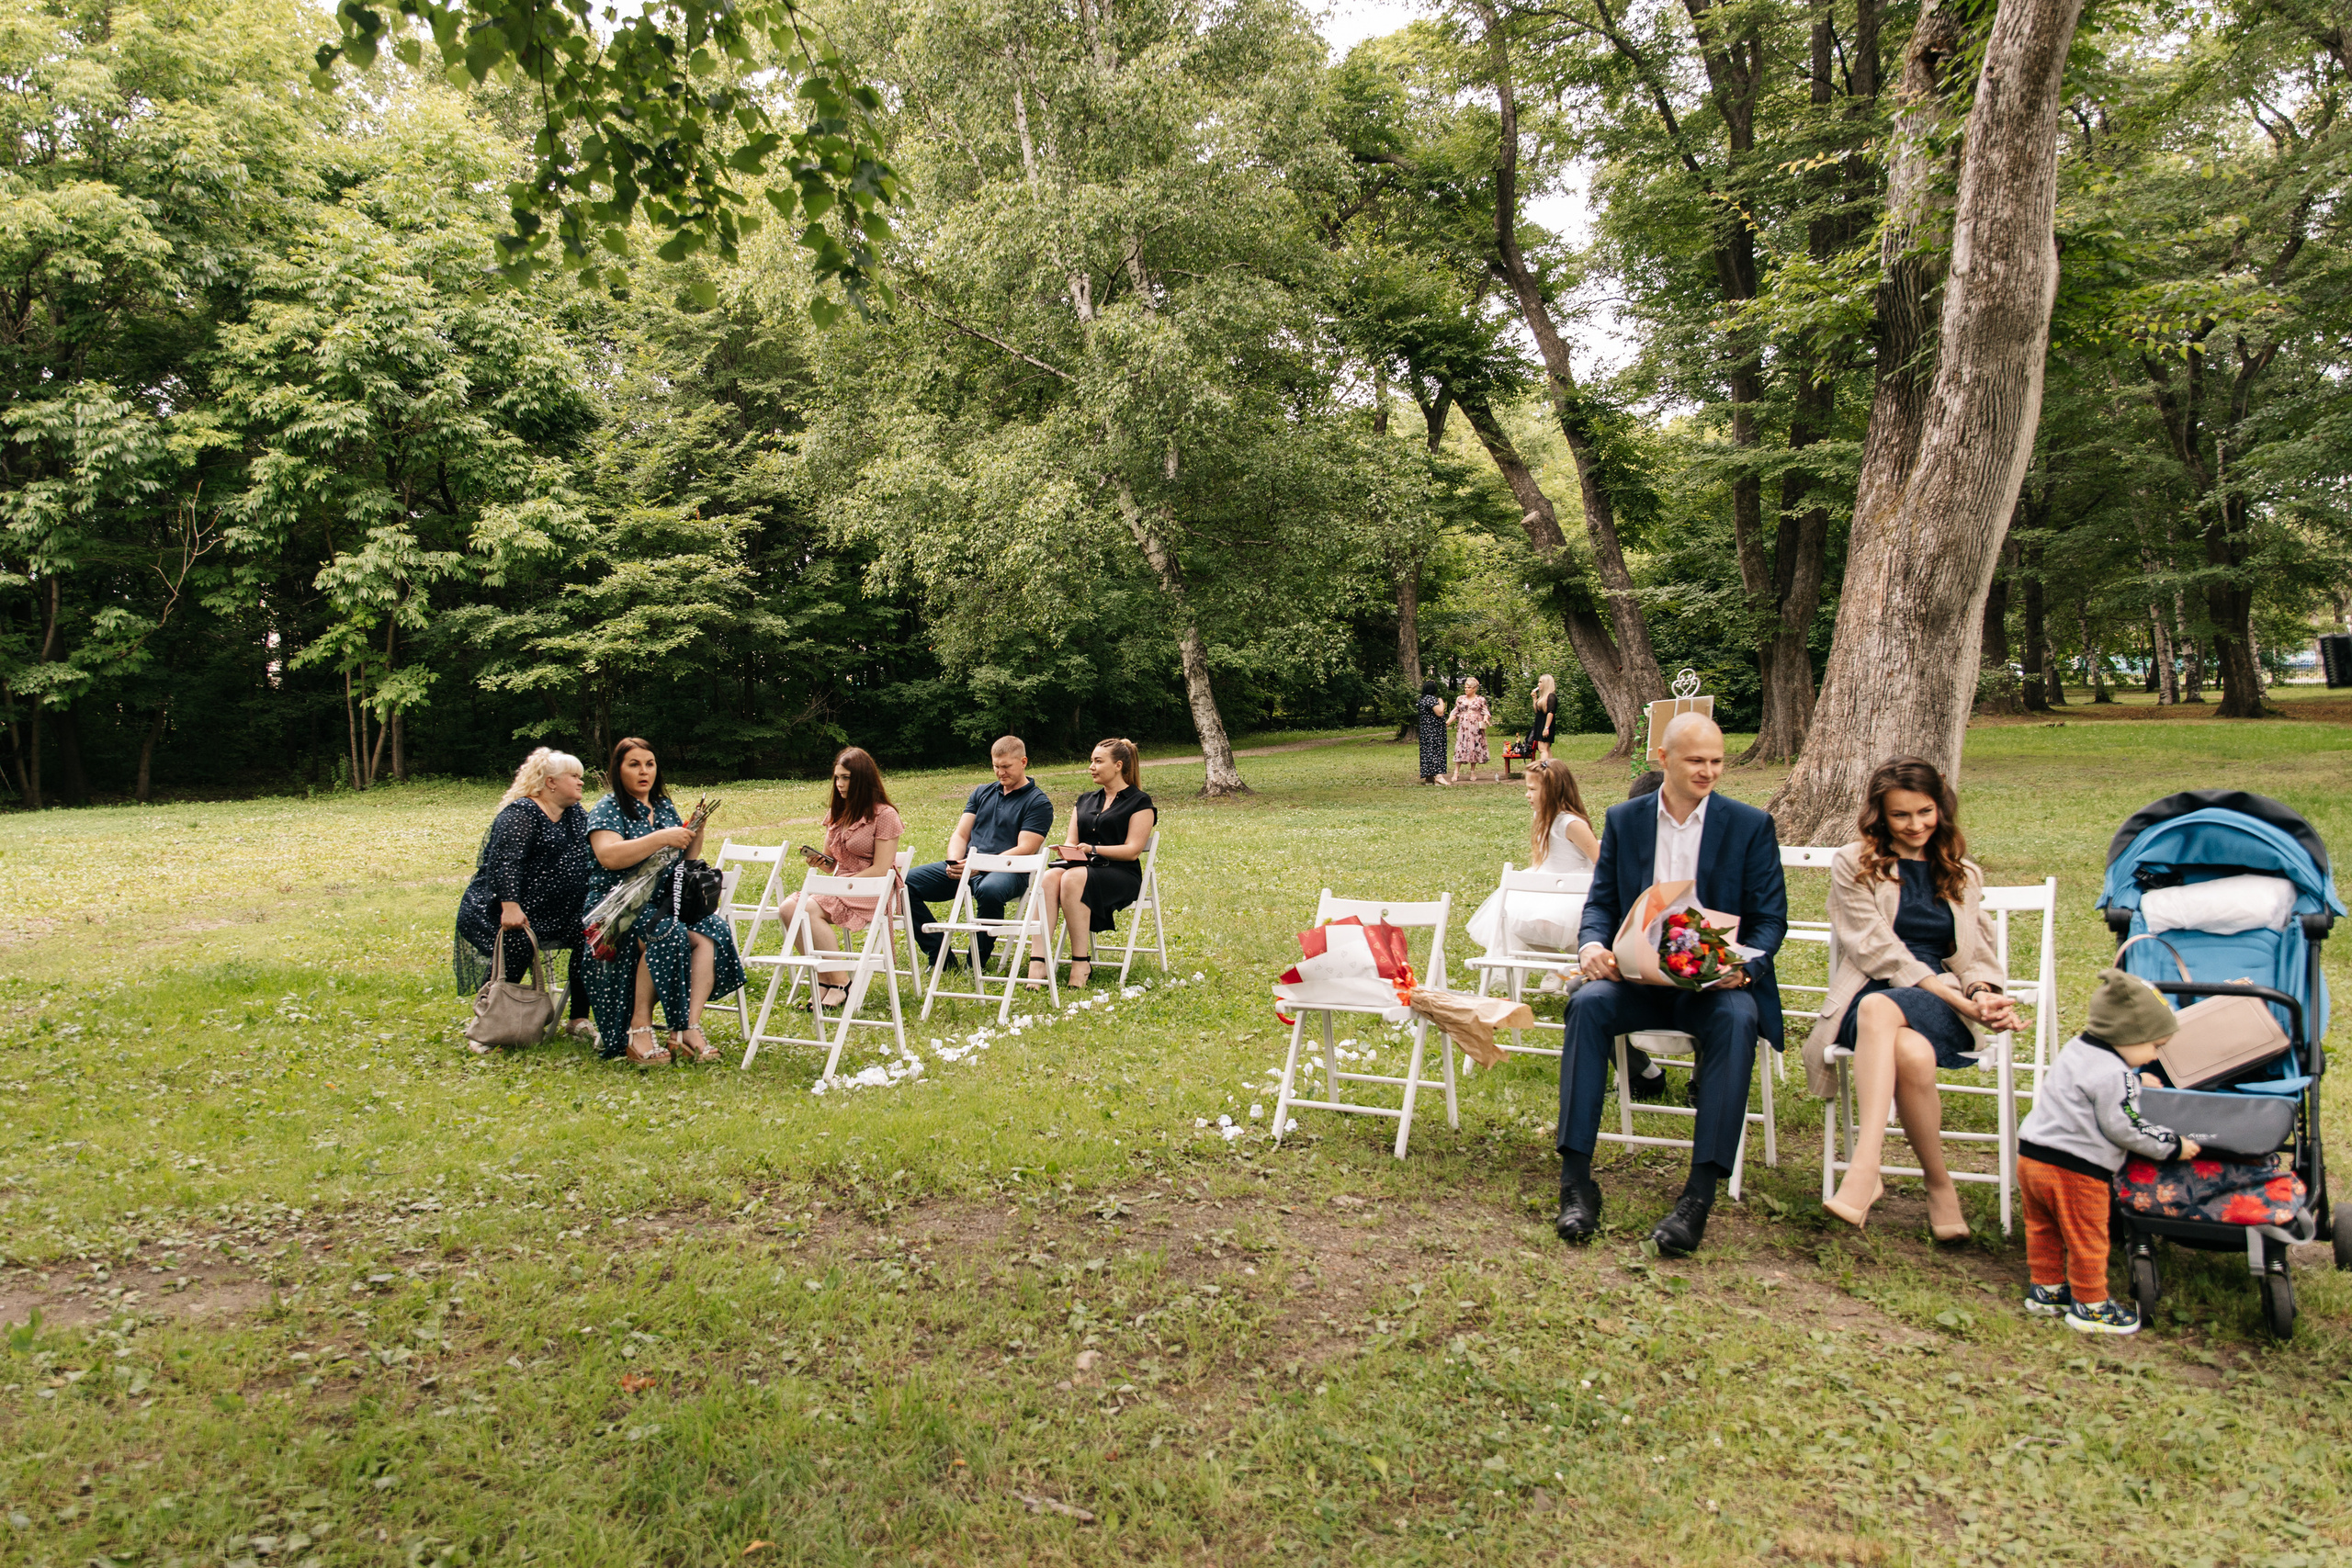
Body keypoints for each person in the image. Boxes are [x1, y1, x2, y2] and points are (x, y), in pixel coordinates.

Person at [1555, 713, 1787, 1257]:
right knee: (1586, 1005)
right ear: (1663, 759)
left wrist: (1745, 967)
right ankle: (1576, 1183)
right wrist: (1592, 947)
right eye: (1696, 761)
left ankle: (1697, 1197)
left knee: (1737, 1019)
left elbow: (1771, 920)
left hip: (1713, 987)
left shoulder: (1750, 825)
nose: (1709, 771)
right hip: (1637, 980)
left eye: (1717, 761)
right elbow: (1603, 904)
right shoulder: (1626, 819)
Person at [1809, 758, 2022, 1237]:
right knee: (1903, 1042)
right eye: (1900, 815)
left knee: (1884, 1013)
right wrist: (1943, 992)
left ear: (1940, 808)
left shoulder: (1962, 872)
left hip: (1940, 1000)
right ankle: (1939, 1184)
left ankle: (1865, 1169)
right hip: (1872, 987)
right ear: (1880, 816)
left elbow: (1977, 953)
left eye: (1924, 812)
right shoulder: (1854, 863)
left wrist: (1981, 995)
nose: (1915, 825)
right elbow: (1873, 946)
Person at [2015, 968, 2197, 1335]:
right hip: (2076, 1170)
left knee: (2043, 1227)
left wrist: (2134, 1079)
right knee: (2087, 1237)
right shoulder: (2115, 1075)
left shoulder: (2078, 1049)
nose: (2153, 1054)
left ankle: (2047, 1289)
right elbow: (2125, 1126)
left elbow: (2094, 1083)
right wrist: (2171, 1145)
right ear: (2127, 1035)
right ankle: (2090, 1305)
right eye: (2154, 1046)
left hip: (2033, 1156)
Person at [580, 737, 745, 1066]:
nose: (644, 771)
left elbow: (684, 860)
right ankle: (638, 1028)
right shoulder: (608, 808)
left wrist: (694, 833)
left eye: (650, 764)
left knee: (713, 929)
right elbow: (608, 856)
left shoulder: (665, 807)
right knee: (666, 932)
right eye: (634, 764)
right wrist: (661, 837)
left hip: (663, 903)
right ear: (618, 769)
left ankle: (686, 1029)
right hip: (618, 910)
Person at [455, 748, 596, 1050]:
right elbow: (505, 863)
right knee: (516, 944)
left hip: (557, 911)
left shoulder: (573, 815)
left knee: (592, 938)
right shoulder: (521, 814)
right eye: (574, 776)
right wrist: (511, 906)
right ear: (551, 782)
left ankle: (578, 1019)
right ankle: (489, 1023)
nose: (581, 782)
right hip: (501, 908)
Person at [904, 735, 1054, 971]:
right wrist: (954, 861)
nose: (1000, 773)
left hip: (1009, 871)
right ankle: (940, 953)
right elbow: (961, 834)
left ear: (1023, 761)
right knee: (904, 883)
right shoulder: (982, 792)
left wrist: (979, 865)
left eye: (1006, 767)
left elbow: (1026, 849)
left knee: (990, 889)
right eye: (995, 766)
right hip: (969, 866)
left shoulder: (1037, 802)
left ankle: (976, 962)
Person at [776, 747, 903, 1011]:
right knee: (788, 909)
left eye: (846, 778)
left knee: (807, 909)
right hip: (840, 884)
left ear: (863, 779)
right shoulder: (838, 813)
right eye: (837, 778)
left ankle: (841, 981)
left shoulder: (885, 815)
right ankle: (825, 980)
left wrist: (838, 883)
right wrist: (820, 862)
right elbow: (834, 863)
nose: (840, 784)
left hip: (872, 889)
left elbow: (881, 869)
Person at [1030, 739, 1157, 990]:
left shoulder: (1139, 802)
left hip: (1120, 874)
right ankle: (1038, 960)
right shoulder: (1085, 800)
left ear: (1118, 765)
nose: (1091, 766)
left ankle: (1081, 961)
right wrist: (1067, 850)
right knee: (1048, 878)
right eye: (1091, 761)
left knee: (1072, 878)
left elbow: (1132, 851)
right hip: (1081, 869)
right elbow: (1071, 841)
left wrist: (1093, 849)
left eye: (1098, 761)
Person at [1465, 758, 1599, 971]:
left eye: (1532, 789)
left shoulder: (1571, 824)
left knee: (1563, 929)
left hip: (1571, 889)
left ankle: (1583, 965)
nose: (1527, 794)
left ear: (1553, 790)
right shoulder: (1541, 816)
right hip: (1543, 884)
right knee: (1515, 919)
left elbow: (1600, 859)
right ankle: (1559, 966)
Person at [1444, 676, 1493, 785]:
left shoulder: (1480, 699)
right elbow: (1454, 712)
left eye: (1469, 688)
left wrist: (1485, 719)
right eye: (1465, 687)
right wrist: (1447, 722)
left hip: (1475, 727)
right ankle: (1456, 772)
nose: (1466, 689)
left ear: (1474, 688)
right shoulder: (1460, 699)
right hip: (1463, 727)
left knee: (1474, 747)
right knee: (1460, 747)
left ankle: (1472, 772)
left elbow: (1486, 712)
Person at [1414, 680, 1449, 784]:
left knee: (1427, 753)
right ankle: (1438, 775)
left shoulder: (1422, 700)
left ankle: (1429, 777)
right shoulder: (1431, 699)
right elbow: (1439, 712)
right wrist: (1442, 702)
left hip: (1425, 731)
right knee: (1436, 751)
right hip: (1434, 731)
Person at [1528, 673, 1559, 762]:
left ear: (1546, 683)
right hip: (1540, 723)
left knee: (1543, 749)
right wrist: (1535, 698)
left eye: (1541, 682)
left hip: (1546, 724)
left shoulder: (1551, 697)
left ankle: (1544, 769)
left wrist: (1546, 728)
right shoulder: (1543, 697)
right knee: (1545, 748)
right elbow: (1537, 711)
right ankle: (1550, 769)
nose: (1538, 684)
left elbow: (1551, 713)